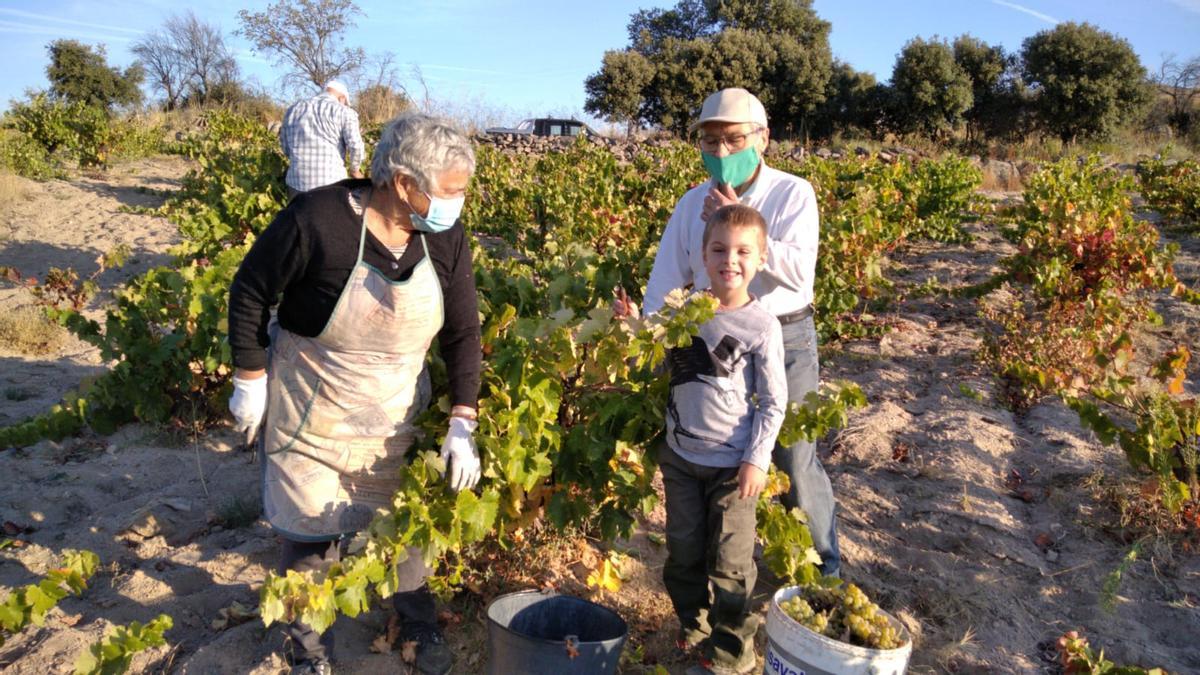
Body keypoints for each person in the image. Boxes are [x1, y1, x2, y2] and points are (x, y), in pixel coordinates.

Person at [227, 111, 482, 675]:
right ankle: (309, 653)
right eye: (449, 191)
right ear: (402, 182)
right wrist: (249, 376)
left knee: (404, 529)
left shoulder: (445, 239)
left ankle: (415, 619)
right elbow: (249, 290)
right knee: (310, 537)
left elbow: (463, 331)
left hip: (392, 412)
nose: (458, 203)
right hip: (311, 412)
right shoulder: (318, 220)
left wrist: (463, 421)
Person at [640, 88, 841, 579]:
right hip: (710, 343)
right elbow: (666, 279)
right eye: (710, 142)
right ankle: (725, 568)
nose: (722, 152)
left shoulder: (793, 193)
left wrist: (739, 229)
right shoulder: (690, 205)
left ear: (763, 138)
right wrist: (642, 337)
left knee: (792, 457)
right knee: (720, 454)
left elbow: (800, 274)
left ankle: (824, 572)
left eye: (733, 140)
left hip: (783, 336)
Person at [654, 204, 787, 675]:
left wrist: (757, 459)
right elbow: (659, 366)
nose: (730, 260)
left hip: (734, 468)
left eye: (742, 252)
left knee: (731, 563)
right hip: (681, 458)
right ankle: (693, 626)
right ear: (701, 255)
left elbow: (773, 402)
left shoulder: (762, 327)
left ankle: (732, 651)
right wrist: (633, 327)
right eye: (719, 249)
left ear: (761, 259)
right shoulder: (683, 309)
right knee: (683, 551)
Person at [280, 79, 366, 199]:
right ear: (342, 98)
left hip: (296, 182)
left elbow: (285, 145)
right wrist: (355, 170)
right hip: (331, 183)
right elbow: (355, 146)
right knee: (330, 217)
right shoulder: (344, 112)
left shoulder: (293, 109)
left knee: (298, 217)